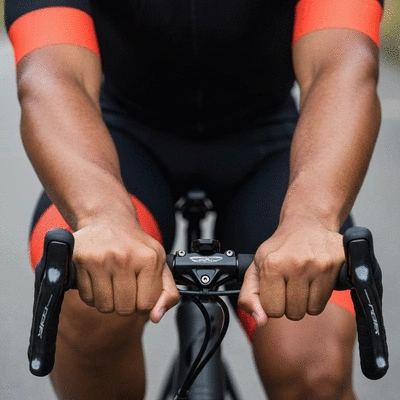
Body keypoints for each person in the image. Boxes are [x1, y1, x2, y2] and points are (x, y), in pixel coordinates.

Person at [5, 0, 384, 399]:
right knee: (86, 312)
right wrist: (101, 216)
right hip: (124, 140)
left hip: (268, 143)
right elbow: (52, 74)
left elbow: (341, 63)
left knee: (315, 369)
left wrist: (312, 218)